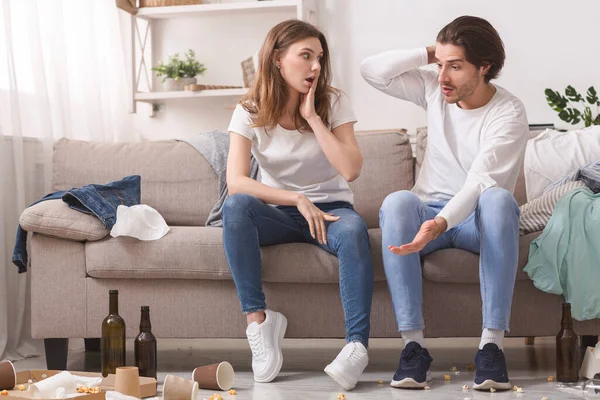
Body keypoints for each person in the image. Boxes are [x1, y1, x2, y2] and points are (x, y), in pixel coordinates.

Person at [361, 15, 529, 391]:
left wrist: (440, 225)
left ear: (484, 67)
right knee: (398, 201)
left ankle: (491, 347)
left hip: (474, 218)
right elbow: (371, 71)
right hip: (428, 210)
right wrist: (430, 51)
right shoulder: (435, 89)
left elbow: (480, 180)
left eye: (455, 66)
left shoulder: (509, 113)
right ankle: (414, 348)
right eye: (440, 65)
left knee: (500, 199)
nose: (442, 77)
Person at [222, 19, 374, 391]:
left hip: (332, 212)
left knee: (355, 232)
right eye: (305, 56)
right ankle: (258, 324)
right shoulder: (249, 110)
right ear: (277, 59)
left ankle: (356, 346)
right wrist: (295, 198)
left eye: (319, 57)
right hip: (281, 213)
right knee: (236, 207)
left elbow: (351, 170)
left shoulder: (333, 101)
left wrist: (312, 118)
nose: (316, 67)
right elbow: (236, 181)